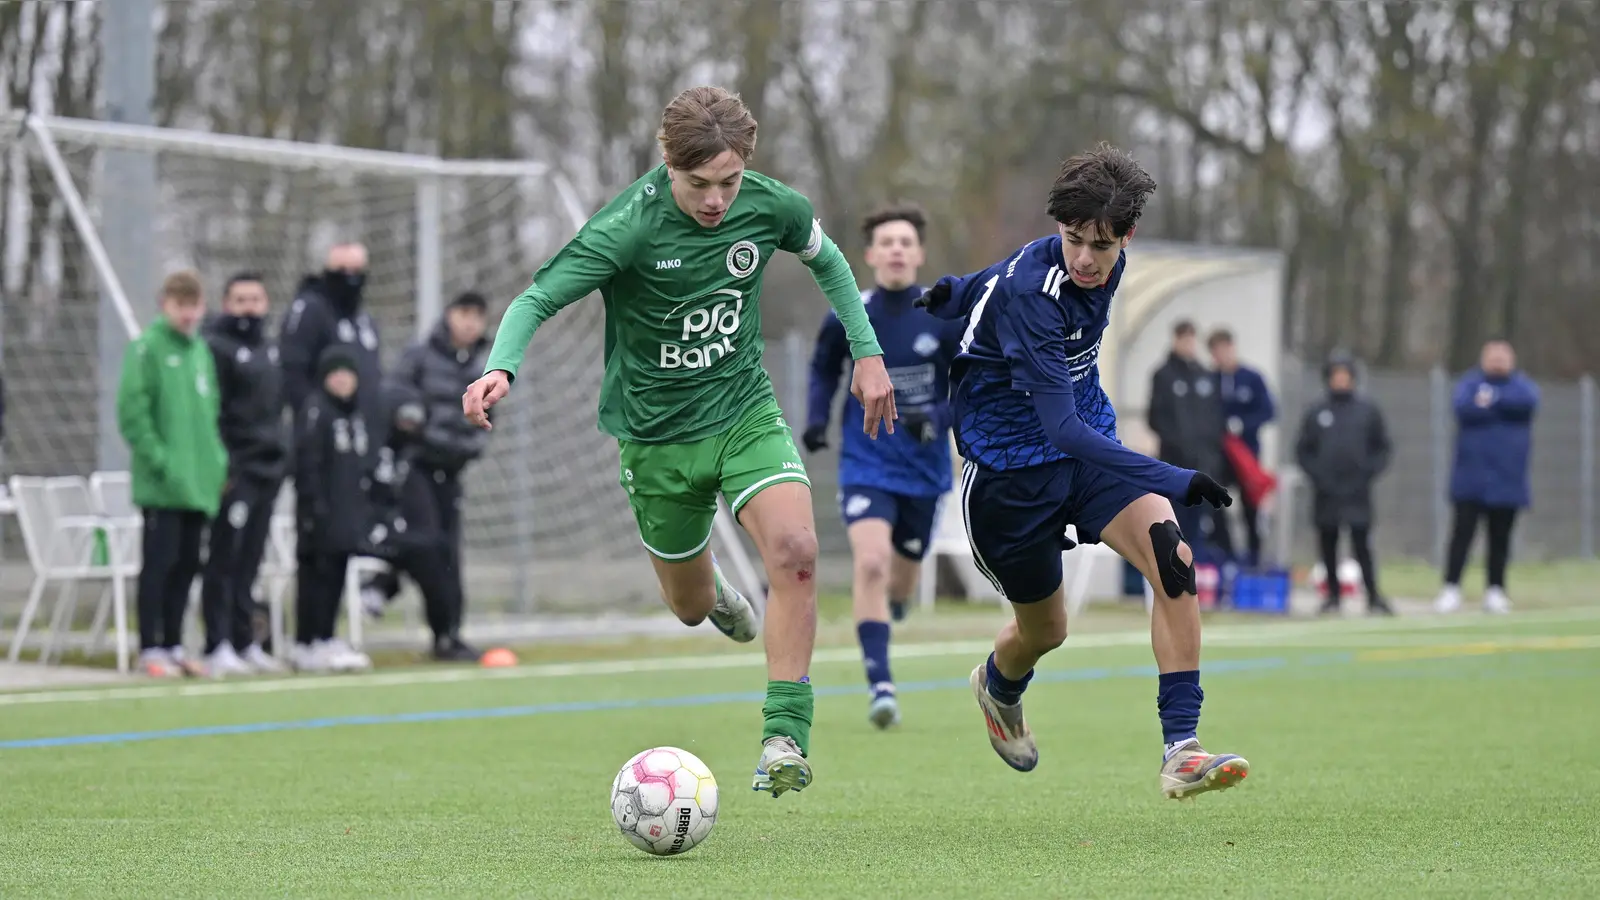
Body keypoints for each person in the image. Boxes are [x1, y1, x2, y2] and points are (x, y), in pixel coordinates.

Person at [462, 85, 895, 799]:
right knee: (690, 606)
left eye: (728, 181)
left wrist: (868, 350)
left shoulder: (771, 205)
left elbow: (831, 262)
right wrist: (499, 365)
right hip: (656, 439)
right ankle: (713, 592)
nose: (717, 200)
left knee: (796, 552)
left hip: (744, 413)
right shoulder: (628, 227)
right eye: (699, 184)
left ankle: (785, 732)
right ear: (668, 162)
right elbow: (536, 297)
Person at [914, 143, 1245, 800]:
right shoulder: (1033, 296)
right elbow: (1057, 425)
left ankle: (1182, 748)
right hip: (1010, 477)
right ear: (1058, 231)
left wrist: (957, 291)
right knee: (1048, 630)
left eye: (1102, 243)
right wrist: (1175, 477)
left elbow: (1004, 281)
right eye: (1073, 241)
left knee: (1170, 556)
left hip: (1085, 449)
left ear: (1128, 234)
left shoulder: (1105, 264)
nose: (1086, 259)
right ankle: (998, 685)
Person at [803, 202, 962, 730]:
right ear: (870, 255)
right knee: (869, 564)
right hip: (866, 459)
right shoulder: (851, 313)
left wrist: (935, 417)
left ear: (918, 255)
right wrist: (816, 420)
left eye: (905, 242)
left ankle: (894, 604)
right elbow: (825, 368)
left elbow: (969, 383)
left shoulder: (941, 316)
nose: (896, 249)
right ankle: (881, 684)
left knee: (900, 581)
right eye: (886, 242)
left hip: (923, 469)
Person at [364, 291, 493, 661]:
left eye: (477, 316)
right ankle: (381, 586)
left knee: (449, 554)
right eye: (463, 313)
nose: (469, 322)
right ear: (449, 315)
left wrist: (470, 443)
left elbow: (486, 420)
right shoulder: (419, 357)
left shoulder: (482, 367)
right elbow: (394, 396)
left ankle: (448, 635)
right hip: (416, 467)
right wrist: (412, 421)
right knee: (425, 542)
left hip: (451, 473)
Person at [115, 270, 229, 678]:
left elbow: (210, 414)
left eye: (194, 306)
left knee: (186, 567)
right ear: (166, 304)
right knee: (159, 566)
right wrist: (161, 461)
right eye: (181, 306)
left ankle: (175, 643)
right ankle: (151, 647)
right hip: (163, 485)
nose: (188, 315)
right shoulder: (146, 349)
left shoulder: (201, 352)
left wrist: (215, 463)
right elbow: (133, 414)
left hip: (197, 485)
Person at [199, 272, 290, 676]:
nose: (248, 307)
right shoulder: (216, 348)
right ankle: (215, 643)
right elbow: (212, 415)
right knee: (225, 559)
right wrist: (224, 467)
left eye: (255, 299)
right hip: (236, 472)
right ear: (226, 304)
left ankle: (243, 640)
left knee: (251, 560)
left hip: (268, 470)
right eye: (239, 300)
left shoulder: (271, 350)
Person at [1436, 338, 1539, 615]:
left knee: (1500, 539)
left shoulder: (1521, 387)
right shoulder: (1469, 385)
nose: (1497, 361)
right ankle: (1451, 588)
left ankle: (1495, 590)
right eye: (1492, 355)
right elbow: (1464, 408)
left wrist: (1492, 401)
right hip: (1471, 479)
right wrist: (1491, 406)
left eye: (1502, 356)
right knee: (1462, 536)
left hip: (1507, 481)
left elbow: (1527, 403)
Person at [292, 345, 376, 673]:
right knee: (316, 577)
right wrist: (314, 508)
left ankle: (326, 636)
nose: (342, 381)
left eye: (347, 374)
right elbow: (307, 464)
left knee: (336, 576)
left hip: (345, 517)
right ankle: (307, 641)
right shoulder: (317, 412)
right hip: (320, 516)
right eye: (335, 374)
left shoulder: (354, 416)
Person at [1294, 353, 1394, 616]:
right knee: (1328, 542)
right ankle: (1333, 597)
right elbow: (1303, 451)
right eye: (1335, 375)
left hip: (1358, 492)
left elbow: (1382, 448)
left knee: (1362, 543)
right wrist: (1319, 476)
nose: (1340, 380)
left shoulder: (1367, 411)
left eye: (1345, 375)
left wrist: (1367, 473)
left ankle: (1373, 596)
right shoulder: (1316, 412)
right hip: (1326, 492)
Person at [1148, 320, 1232, 565]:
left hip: (1203, 467)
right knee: (1175, 521)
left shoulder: (1204, 376)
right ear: (1175, 340)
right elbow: (1156, 417)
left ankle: (1198, 573)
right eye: (1183, 339)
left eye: (1191, 339)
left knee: (1201, 525)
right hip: (1174, 465)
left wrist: (1210, 453)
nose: (1188, 344)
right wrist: (1179, 446)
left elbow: (1215, 419)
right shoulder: (1163, 375)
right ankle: (1172, 569)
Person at [279, 242, 383, 427]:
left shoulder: (364, 319)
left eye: (356, 270)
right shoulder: (310, 310)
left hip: (362, 429)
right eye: (342, 270)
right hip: (323, 433)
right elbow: (293, 370)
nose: (350, 278)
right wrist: (313, 418)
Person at [1207, 329, 1276, 566]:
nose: (1221, 356)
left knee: (1251, 507)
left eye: (1224, 350)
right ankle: (1226, 552)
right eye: (1216, 352)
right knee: (1214, 501)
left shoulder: (1252, 378)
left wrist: (1244, 424)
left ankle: (1254, 556)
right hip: (1219, 456)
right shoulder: (1210, 380)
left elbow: (1269, 411)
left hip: (1246, 455)